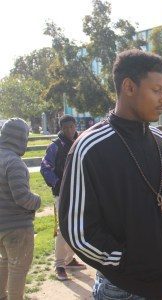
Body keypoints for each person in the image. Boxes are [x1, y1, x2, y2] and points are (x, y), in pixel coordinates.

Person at [58, 49, 162, 299]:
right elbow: (77, 231)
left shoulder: (160, 141)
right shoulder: (91, 148)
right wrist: (128, 261)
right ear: (129, 87)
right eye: (156, 90)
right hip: (124, 289)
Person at [40, 115, 86, 281]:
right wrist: (58, 184)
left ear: (75, 126)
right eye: (65, 127)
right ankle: (59, 264)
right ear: (61, 128)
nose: (69, 130)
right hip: (62, 193)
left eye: (71, 127)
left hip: (80, 192)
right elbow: (45, 168)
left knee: (78, 227)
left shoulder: (81, 141)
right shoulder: (55, 146)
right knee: (62, 229)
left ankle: (69, 259)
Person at [0, 118, 41, 300]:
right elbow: (23, 198)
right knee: (18, 268)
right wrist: (37, 201)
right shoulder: (14, 162)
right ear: (20, 137)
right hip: (17, 227)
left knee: (5, 262)